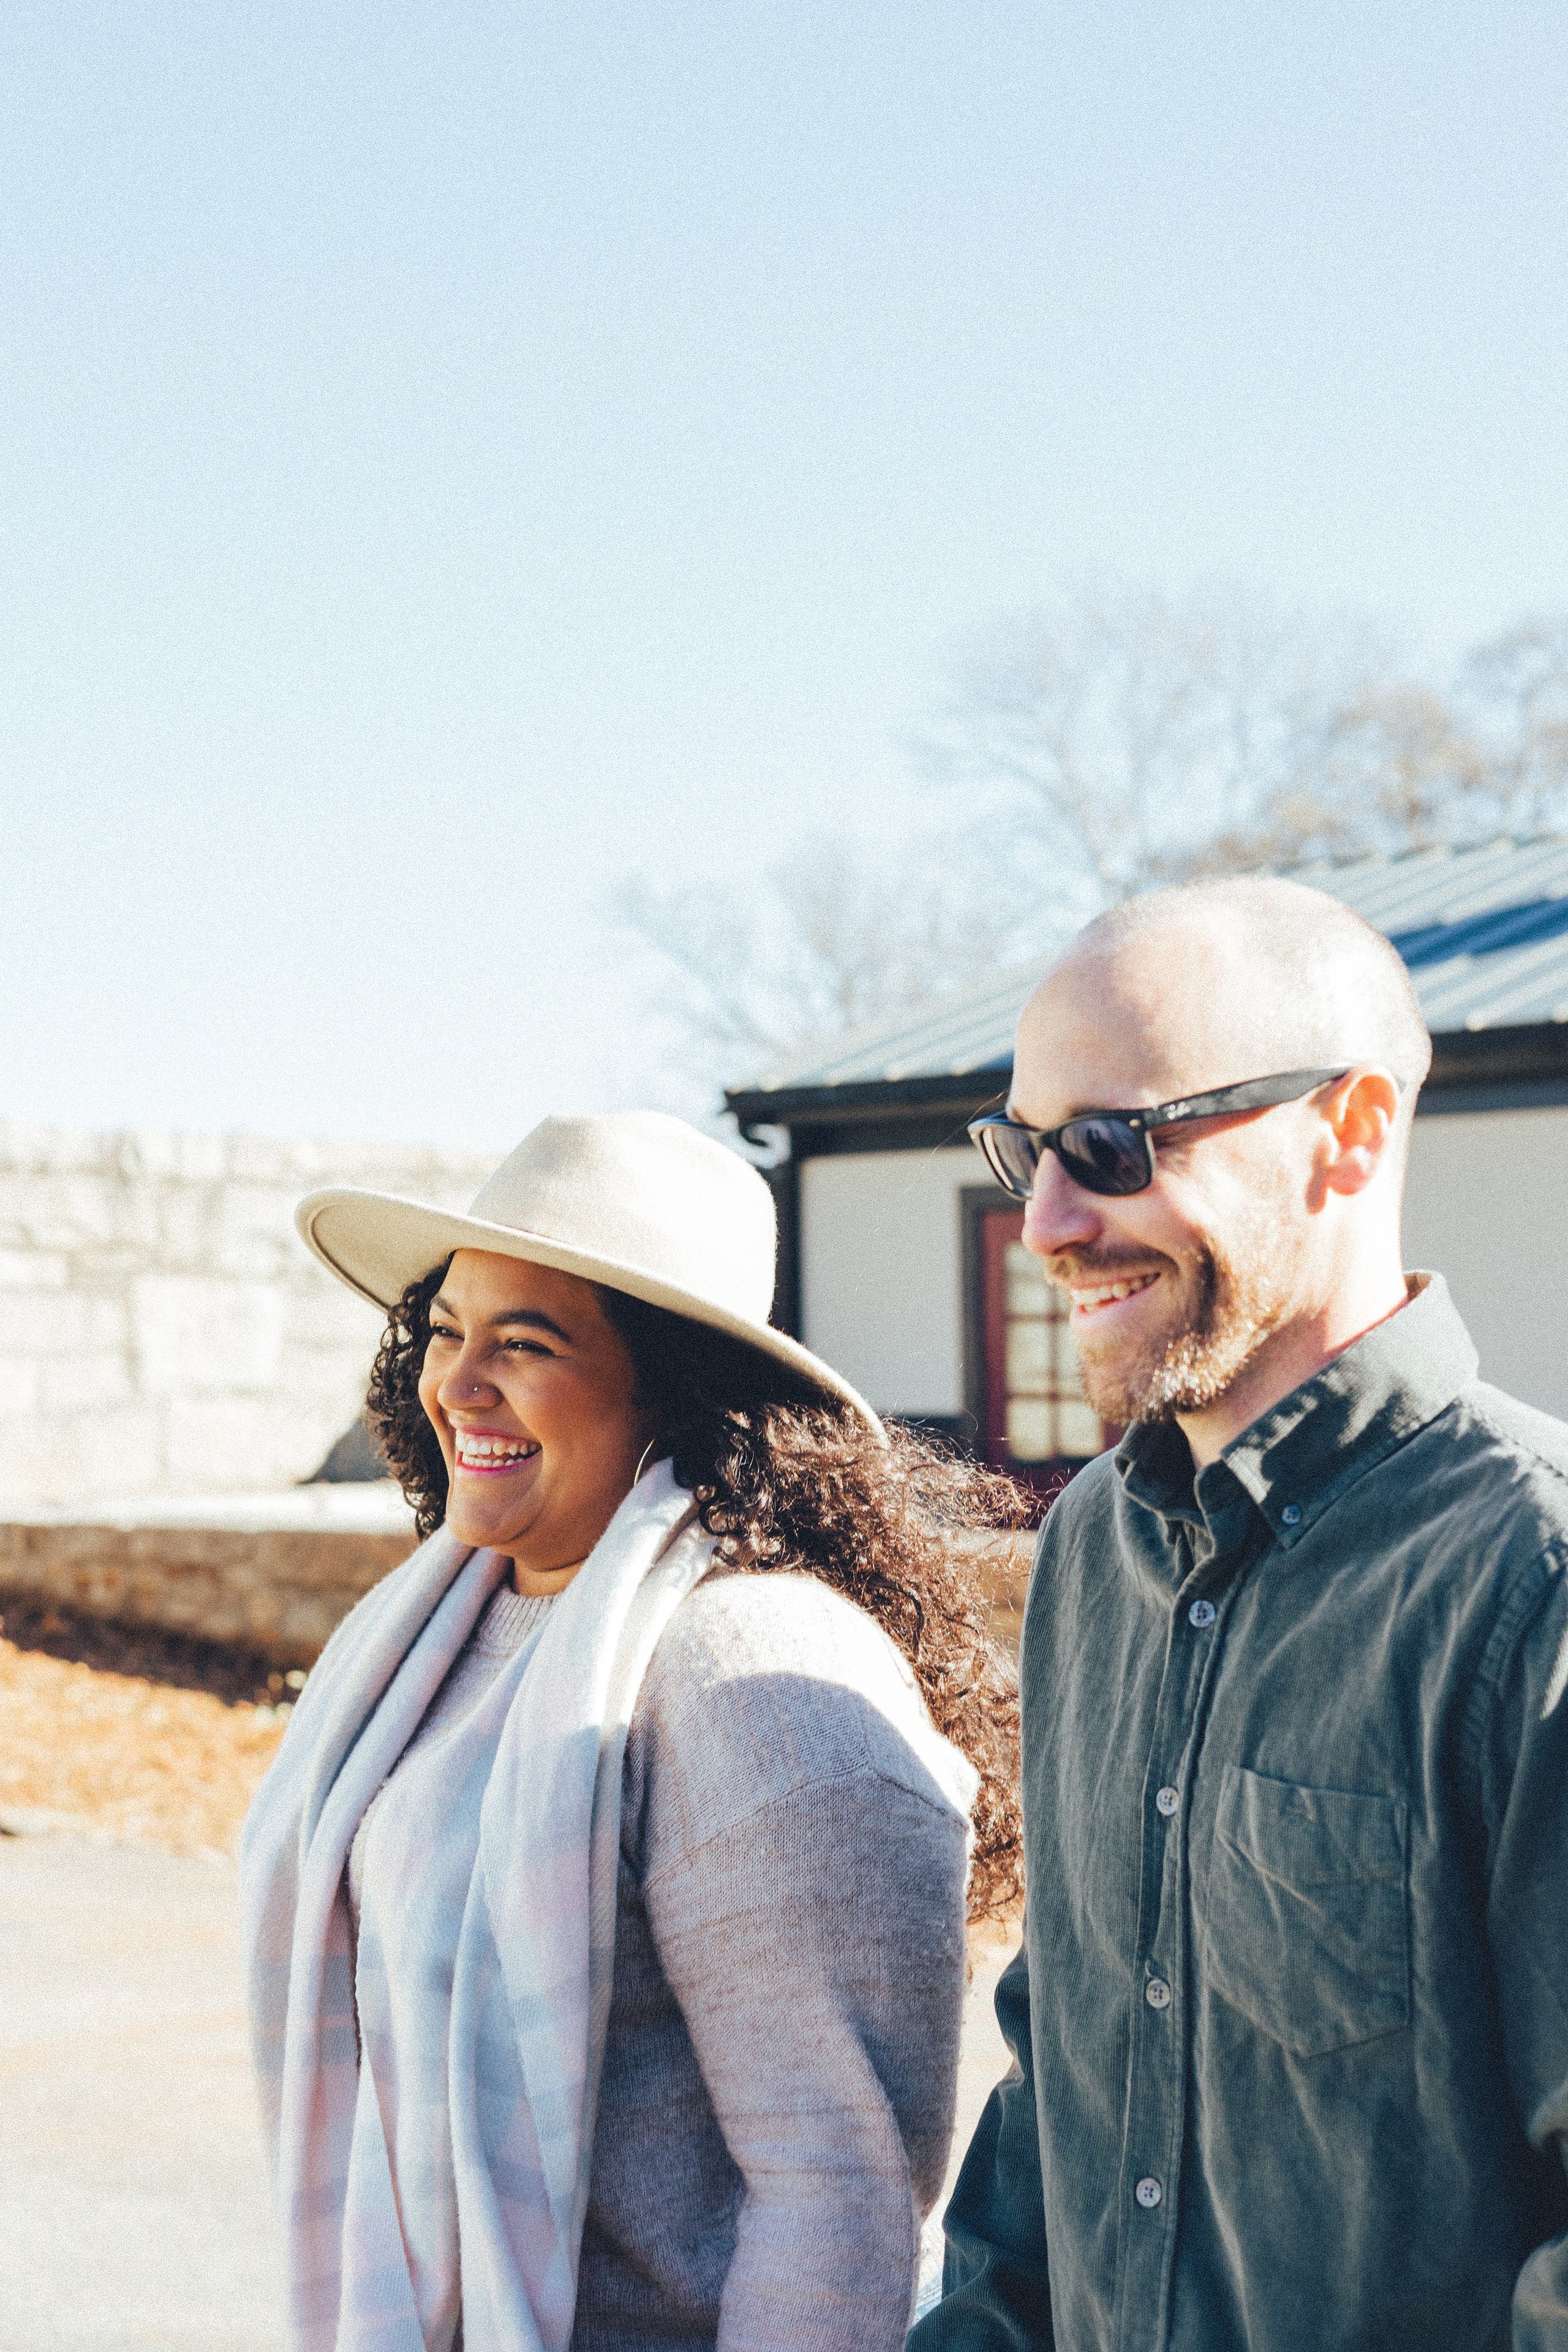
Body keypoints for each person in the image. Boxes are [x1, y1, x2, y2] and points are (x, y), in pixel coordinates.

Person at [240, 1109, 1024, 2352]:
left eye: (526, 1343)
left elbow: (837, 2193)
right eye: (446, 1331)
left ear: (675, 1390)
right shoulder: (434, 1629)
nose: (457, 1383)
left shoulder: (750, 1673)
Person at [912, 876, 1568, 2351]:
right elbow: (1055, 2090)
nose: (1046, 1222)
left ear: (1344, 1138)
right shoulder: (1089, 1545)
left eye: (1110, 1144)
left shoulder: (1534, 1575)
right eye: (1024, 1149)